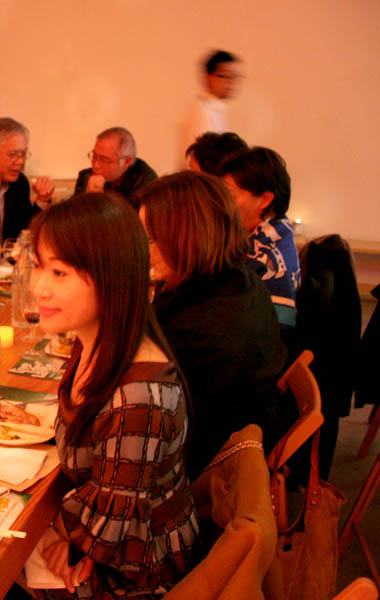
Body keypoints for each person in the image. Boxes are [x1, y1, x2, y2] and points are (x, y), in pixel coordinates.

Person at [31, 193, 199, 597]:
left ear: (112, 276)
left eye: (59, 273)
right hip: (104, 533)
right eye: (38, 266)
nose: (39, 288)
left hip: (136, 573)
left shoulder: (139, 394)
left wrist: (81, 542)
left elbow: (114, 521)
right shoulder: (95, 341)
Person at [138, 172, 287, 478]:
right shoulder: (237, 278)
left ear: (185, 239)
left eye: (150, 239)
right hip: (228, 439)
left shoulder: (198, 333)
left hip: (201, 474)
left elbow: (148, 421)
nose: (144, 250)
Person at [217, 147, 299, 331]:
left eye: (229, 195)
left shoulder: (265, 258)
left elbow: (277, 330)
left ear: (265, 199)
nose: (221, 204)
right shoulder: (277, 230)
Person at [0, 117, 54, 241]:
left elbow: (26, 231)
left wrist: (43, 200)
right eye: (13, 155)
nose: (21, 161)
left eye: (23, 154)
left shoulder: (20, 183)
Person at [180, 50, 243, 162]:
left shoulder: (216, 111)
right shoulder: (203, 113)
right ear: (208, 77)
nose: (231, 82)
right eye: (225, 76)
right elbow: (201, 162)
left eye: (235, 76)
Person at [73, 127, 156, 209]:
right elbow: (74, 214)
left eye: (104, 160)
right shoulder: (86, 176)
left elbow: (129, 216)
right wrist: (88, 196)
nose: (96, 165)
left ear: (127, 162)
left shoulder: (145, 183)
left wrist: (97, 198)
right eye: (94, 157)